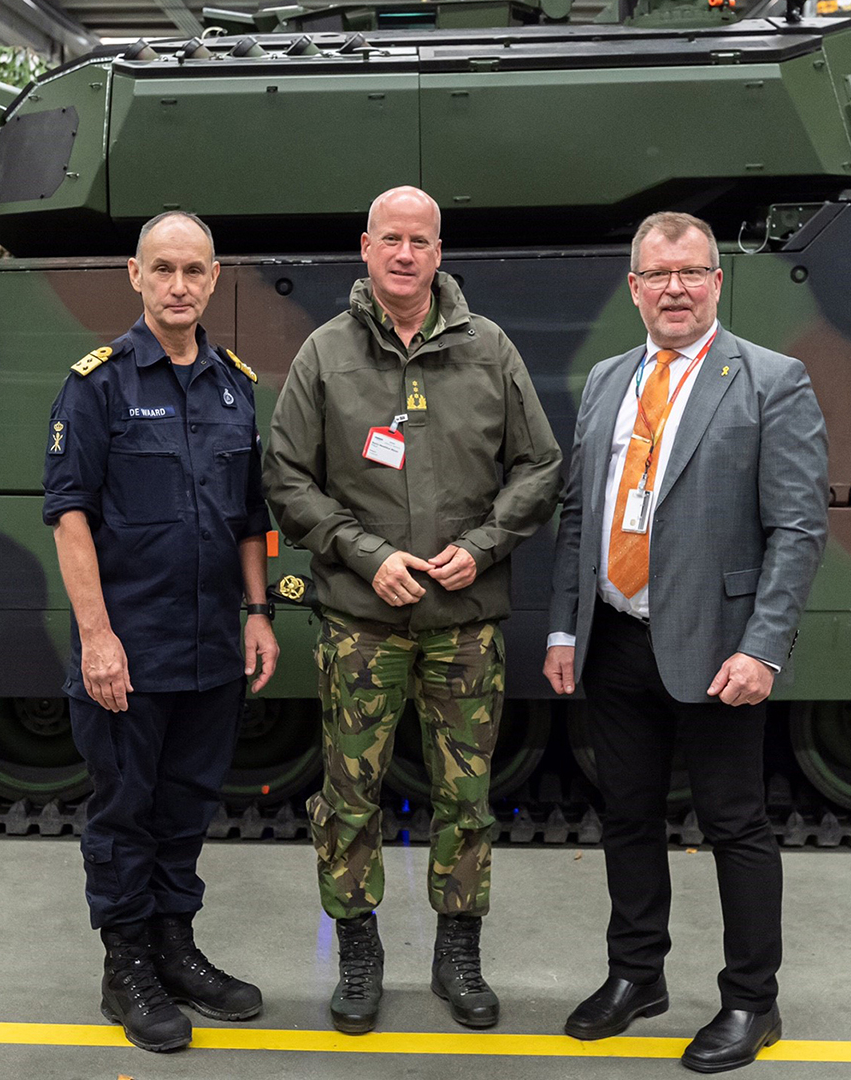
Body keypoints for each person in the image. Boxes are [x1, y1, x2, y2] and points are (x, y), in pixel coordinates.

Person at [265, 185, 562, 1035]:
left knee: (465, 798)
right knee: (348, 796)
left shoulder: (489, 349)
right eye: (390, 239)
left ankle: (457, 950)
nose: (405, 254)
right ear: (366, 247)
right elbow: (286, 479)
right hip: (361, 623)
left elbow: (539, 467)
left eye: (420, 241)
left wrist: (483, 546)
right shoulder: (325, 355)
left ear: (440, 252)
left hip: (465, 625)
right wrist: (368, 555)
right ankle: (357, 949)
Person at [543, 212, 828, 1073]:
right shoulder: (605, 381)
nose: (675, 288)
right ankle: (637, 976)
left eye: (692, 273)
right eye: (657, 274)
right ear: (634, 287)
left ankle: (752, 1002)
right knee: (627, 816)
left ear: (715, 282)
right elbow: (578, 513)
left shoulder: (772, 380)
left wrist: (763, 648)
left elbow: (799, 528)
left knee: (735, 824)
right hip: (616, 639)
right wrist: (565, 624)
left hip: (718, 648)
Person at [42, 210, 278, 1054]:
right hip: (128, 650)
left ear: (215, 279)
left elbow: (252, 517)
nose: (180, 285)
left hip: (212, 645)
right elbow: (70, 518)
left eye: (195, 270)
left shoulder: (234, 384)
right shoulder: (97, 385)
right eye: (163, 269)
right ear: (134, 276)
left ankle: (176, 948)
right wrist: (98, 637)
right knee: (123, 812)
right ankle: (126, 966)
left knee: (185, 810)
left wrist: (258, 614)